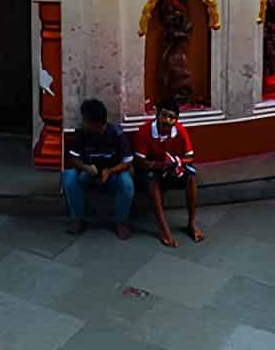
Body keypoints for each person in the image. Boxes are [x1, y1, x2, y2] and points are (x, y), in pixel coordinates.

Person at [62, 99, 137, 238]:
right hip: (87, 175)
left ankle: (121, 221)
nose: (83, 122)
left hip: (112, 176)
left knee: (127, 183)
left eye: (86, 120)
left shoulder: (117, 134)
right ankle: (78, 218)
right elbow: (73, 158)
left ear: (95, 123)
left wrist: (109, 171)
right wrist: (85, 167)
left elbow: (127, 162)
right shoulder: (82, 133)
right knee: (68, 176)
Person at [134, 101, 204, 245]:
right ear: (157, 115)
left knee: (191, 176)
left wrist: (177, 163)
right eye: (164, 115)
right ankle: (164, 229)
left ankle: (191, 223)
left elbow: (190, 156)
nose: (167, 120)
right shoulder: (145, 131)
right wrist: (158, 165)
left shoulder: (180, 130)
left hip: (172, 168)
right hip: (151, 170)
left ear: (176, 119)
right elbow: (139, 162)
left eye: (171, 117)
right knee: (151, 181)